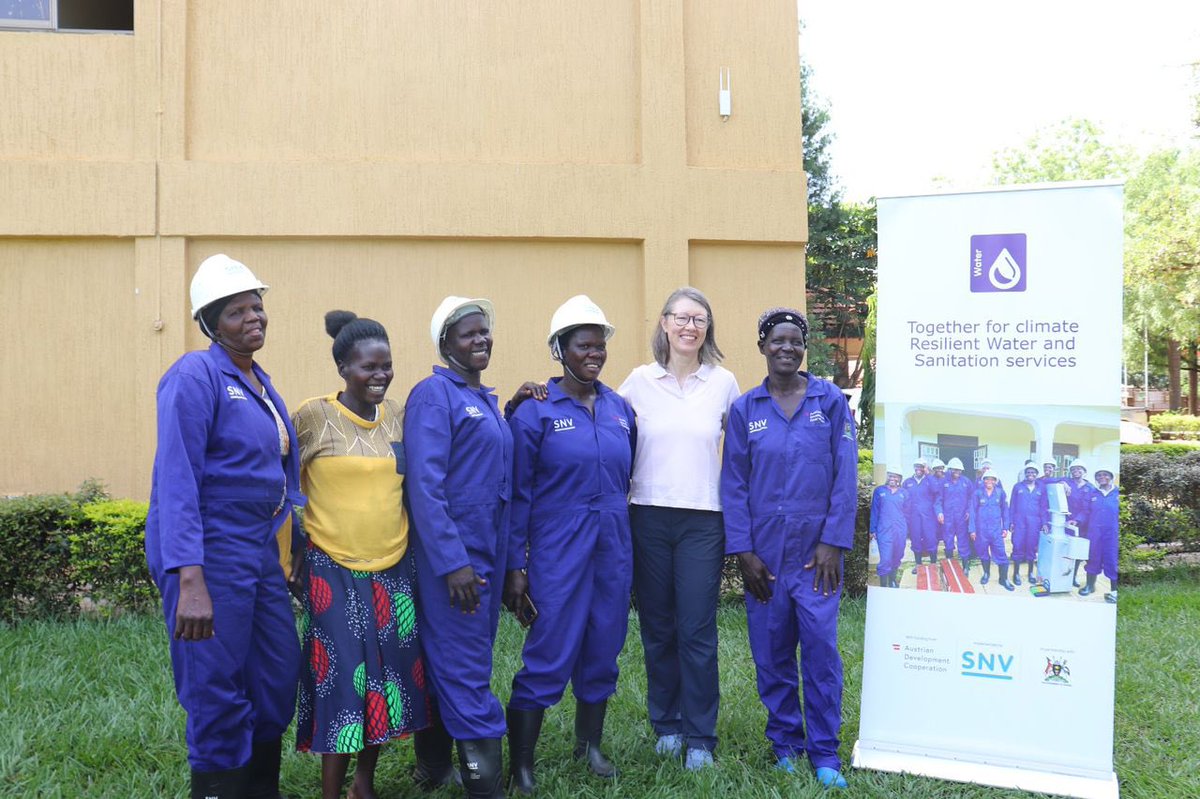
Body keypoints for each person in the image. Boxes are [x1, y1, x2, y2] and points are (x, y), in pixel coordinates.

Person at [144, 254, 304, 799]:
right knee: (215, 687)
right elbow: (177, 479)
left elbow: (276, 478)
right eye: (237, 311)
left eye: (257, 307)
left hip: (256, 552)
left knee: (277, 677)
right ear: (210, 323)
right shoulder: (195, 375)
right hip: (208, 552)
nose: (253, 317)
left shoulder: (258, 381)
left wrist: (291, 546)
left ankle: (260, 788)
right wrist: (190, 578)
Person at [291, 311, 430, 799]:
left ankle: (363, 785)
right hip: (333, 567)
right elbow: (286, 486)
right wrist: (293, 557)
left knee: (385, 679)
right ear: (342, 368)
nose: (379, 376)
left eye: (386, 366)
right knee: (343, 683)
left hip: (393, 566)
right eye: (367, 367)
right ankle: (332, 790)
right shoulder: (313, 416)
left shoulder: (398, 415)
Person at [502, 296, 637, 793]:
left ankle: (590, 745)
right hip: (558, 547)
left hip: (612, 547)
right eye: (583, 345)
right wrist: (516, 565)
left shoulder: (622, 409)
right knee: (550, 646)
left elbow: (628, 477)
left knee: (605, 642)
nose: (594, 354)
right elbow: (517, 494)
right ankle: (521, 764)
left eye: (600, 346)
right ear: (560, 349)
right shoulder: (536, 412)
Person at [721, 307, 856, 790]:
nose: (787, 348)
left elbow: (845, 475)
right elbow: (733, 484)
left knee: (820, 651)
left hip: (816, 557)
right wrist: (744, 551)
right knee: (772, 652)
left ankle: (824, 752)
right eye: (777, 341)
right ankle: (785, 744)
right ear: (762, 347)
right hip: (766, 558)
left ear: (804, 348)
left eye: (795, 341)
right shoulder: (745, 409)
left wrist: (833, 542)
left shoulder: (830, 401)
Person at [617, 286, 740, 770]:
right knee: (657, 628)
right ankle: (666, 724)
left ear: (707, 330)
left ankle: (700, 737)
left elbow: (746, 450)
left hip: (702, 520)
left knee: (697, 630)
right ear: (664, 323)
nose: (691, 327)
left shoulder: (723, 382)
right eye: (682, 318)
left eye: (700, 320)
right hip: (646, 514)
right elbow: (602, 420)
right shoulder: (638, 382)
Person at [404, 296, 513, 799]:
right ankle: (484, 787)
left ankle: (432, 770)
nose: (480, 340)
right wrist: (453, 563)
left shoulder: (482, 398)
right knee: (466, 667)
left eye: (484, 332)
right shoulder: (434, 395)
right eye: (468, 333)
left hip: (487, 556)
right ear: (444, 342)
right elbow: (424, 487)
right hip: (456, 564)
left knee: (452, 660)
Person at [968, 469, 1015, 591]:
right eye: (987, 479)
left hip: (995, 532)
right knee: (983, 554)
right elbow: (972, 512)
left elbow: (1005, 511)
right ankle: (986, 574)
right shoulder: (977, 493)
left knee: (1002, 556)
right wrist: (972, 530)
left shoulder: (1000, 493)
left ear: (995, 481)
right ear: (983, 481)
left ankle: (1003, 579)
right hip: (981, 531)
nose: (989, 481)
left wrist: (1005, 527)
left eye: (992, 479)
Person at [1080, 467, 1119, 603]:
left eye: (1105, 475)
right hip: (1094, 532)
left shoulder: (1118, 493)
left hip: (1112, 534)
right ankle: (1090, 586)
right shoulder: (1092, 493)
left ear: (1111, 477)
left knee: (1112, 560)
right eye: (1099, 476)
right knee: (1093, 557)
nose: (1102, 477)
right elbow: (1085, 512)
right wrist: (1077, 520)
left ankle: (1115, 590)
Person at [1008, 460, 1048, 586]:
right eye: (1028, 472)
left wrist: (1045, 523)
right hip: (1019, 521)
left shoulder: (1041, 487)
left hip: (1034, 522)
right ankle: (1016, 573)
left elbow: (1043, 507)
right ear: (1025, 474)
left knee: (1032, 547)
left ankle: (1030, 572)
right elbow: (1012, 505)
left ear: (1036, 474)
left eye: (1033, 472)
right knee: (1018, 546)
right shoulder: (1018, 486)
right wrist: (1011, 522)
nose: (1031, 474)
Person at [869, 469, 909, 588]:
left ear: (900, 479)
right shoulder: (879, 491)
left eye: (896, 476)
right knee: (885, 559)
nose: (893, 478)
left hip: (900, 530)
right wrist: (872, 529)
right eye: (891, 476)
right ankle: (883, 585)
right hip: (884, 530)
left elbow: (908, 512)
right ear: (887, 476)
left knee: (897, 556)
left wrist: (907, 530)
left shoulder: (904, 493)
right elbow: (874, 511)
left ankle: (892, 581)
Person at [902, 457, 941, 571]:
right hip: (914, 517)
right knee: (915, 539)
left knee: (931, 538)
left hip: (929, 516)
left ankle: (933, 564)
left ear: (925, 468)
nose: (919, 469)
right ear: (914, 468)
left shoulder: (930, 480)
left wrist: (928, 474)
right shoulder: (908, 482)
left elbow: (936, 490)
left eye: (921, 466)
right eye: (917, 466)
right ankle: (918, 564)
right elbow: (903, 500)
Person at [1064, 459, 1097, 588]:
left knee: (1077, 551)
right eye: (1073, 469)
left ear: (1084, 472)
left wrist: (1078, 520)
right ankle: (1064, 574)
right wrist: (1061, 482)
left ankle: (1073, 576)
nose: (1076, 471)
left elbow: (1088, 509)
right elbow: (1047, 481)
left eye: (1079, 469)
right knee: (1065, 549)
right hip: (1066, 523)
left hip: (1082, 525)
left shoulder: (1091, 488)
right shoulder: (1067, 483)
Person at [941, 458, 974, 574]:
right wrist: (939, 512)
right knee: (948, 540)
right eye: (955, 469)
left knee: (963, 541)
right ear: (950, 469)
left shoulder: (966, 482)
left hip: (962, 518)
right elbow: (938, 500)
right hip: (948, 517)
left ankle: (966, 565)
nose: (957, 472)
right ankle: (950, 564)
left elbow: (972, 498)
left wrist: (969, 510)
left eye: (959, 470)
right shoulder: (943, 482)